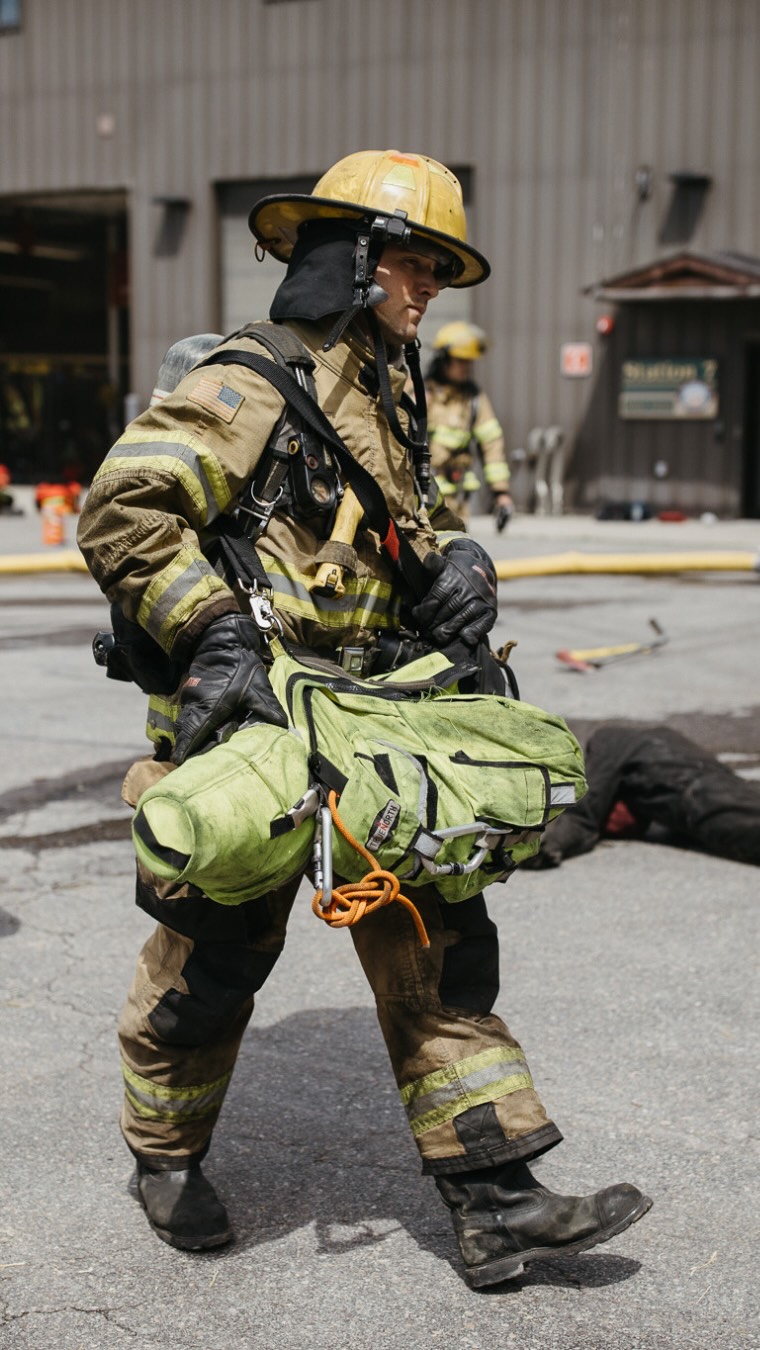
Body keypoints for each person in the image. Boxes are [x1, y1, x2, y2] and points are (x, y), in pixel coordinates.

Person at [77, 149, 650, 1289]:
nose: (430, 285)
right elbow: (123, 503)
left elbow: (388, 531)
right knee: (213, 968)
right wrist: (213, 632)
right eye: (415, 261)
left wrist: (454, 566)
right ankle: (165, 1155)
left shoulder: (390, 386)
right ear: (349, 259)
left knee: (443, 945)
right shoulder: (250, 378)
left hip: (378, 728)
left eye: (442, 267)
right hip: (257, 729)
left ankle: (494, 1200)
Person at [524, 722, 760, 869]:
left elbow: (582, 813)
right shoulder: (638, 746)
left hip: (694, 788)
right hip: (699, 775)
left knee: (734, 818)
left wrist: (533, 848)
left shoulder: (606, 748)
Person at [424, 320, 512, 527]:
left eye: (469, 362)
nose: (467, 367)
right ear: (444, 360)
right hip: (424, 497)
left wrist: (501, 493)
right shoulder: (422, 393)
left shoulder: (474, 398)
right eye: (461, 361)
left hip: (460, 500)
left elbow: (492, 444)